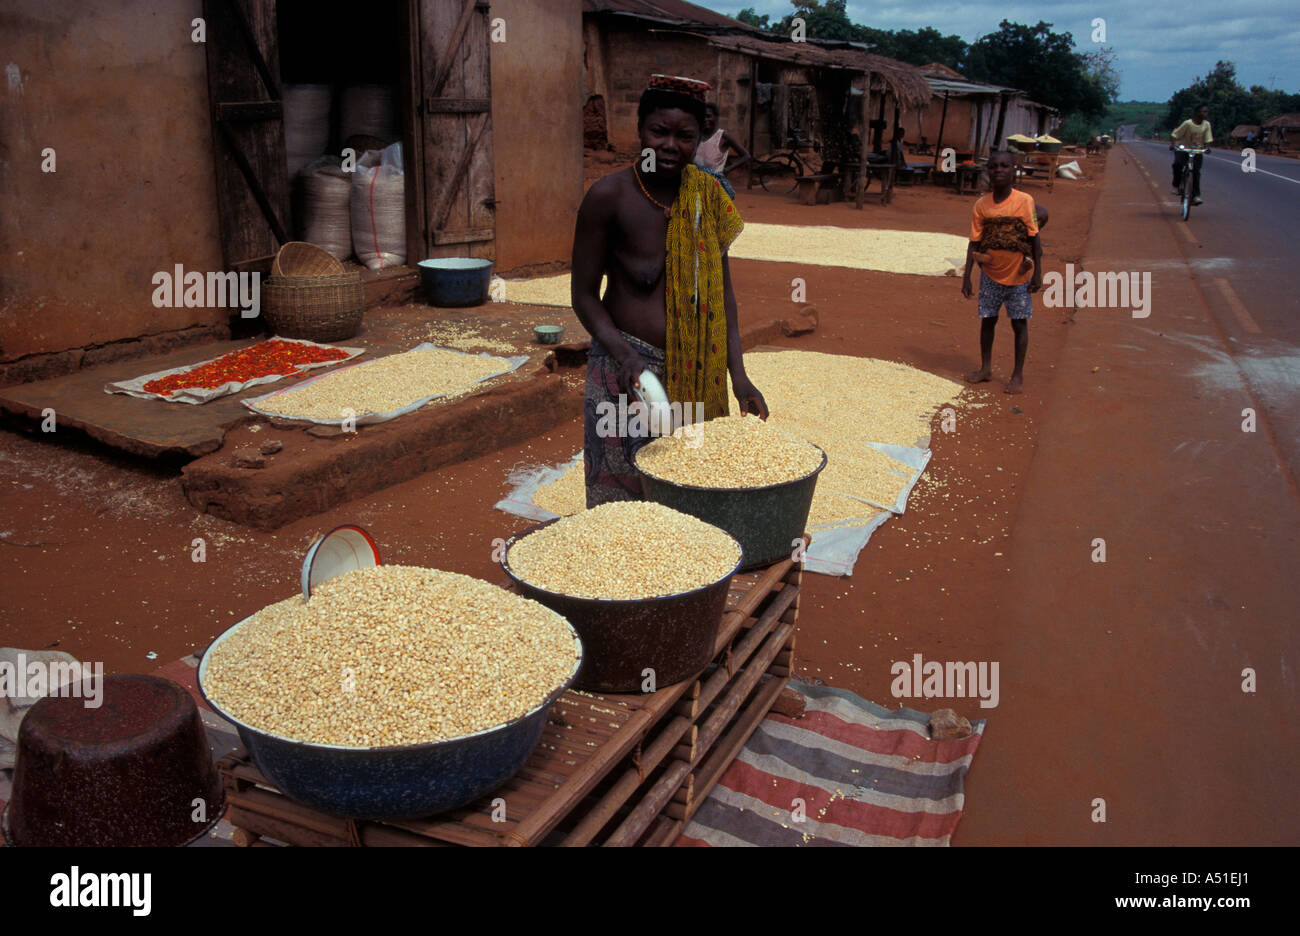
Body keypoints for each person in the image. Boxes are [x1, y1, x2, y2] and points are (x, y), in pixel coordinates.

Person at [571, 75, 768, 507]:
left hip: (696, 372)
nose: (670, 145)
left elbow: (723, 297)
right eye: (659, 131)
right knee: (618, 498)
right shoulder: (609, 197)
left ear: (699, 140)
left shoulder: (708, 198)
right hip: (625, 372)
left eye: (685, 136)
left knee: (685, 497)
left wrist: (739, 376)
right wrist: (625, 355)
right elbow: (583, 296)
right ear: (640, 129)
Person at [961, 150, 1041, 395]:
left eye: (1004, 166)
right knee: (988, 321)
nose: (998, 171)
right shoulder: (981, 205)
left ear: (1013, 170)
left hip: (1018, 276)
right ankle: (986, 368)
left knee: (1019, 323)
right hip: (990, 275)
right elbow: (975, 242)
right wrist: (967, 276)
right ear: (988, 171)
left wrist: (1038, 273)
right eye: (994, 166)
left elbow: (1034, 237)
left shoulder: (1024, 201)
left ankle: (1017, 374)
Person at [693, 102, 751, 199]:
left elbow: (746, 156)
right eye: (702, 117)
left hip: (713, 186)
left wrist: (727, 170)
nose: (705, 120)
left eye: (708, 116)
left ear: (716, 117)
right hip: (694, 184)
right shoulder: (696, 136)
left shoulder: (723, 136)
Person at [1170, 103, 1212, 205]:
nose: (1205, 114)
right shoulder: (1188, 124)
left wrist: (1206, 147)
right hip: (1185, 149)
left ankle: (1196, 196)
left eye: (1206, 112)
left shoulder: (1206, 125)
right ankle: (1176, 186)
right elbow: (1175, 134)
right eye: (1203, 111)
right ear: (1197, 113)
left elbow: (1208, 139)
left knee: (1196, 172)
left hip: (1197, 151)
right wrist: (1173, 145)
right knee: (1177, 165)